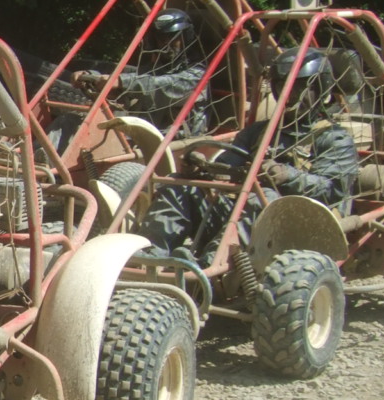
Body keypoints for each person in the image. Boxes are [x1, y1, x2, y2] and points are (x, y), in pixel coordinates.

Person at [140, 48, 358, 261]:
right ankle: (153, 255)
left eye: (299, 87)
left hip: (299, 226)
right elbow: (227, 167)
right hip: (246, 221)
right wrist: (203, 170)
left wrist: (287, 175)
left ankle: (213, 264)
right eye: (282, 87)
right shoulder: (258, 132)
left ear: (320, 89)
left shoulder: (333, 138)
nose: (289, 95)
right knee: (178, 185)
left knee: (264, 197)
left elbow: (334, 190)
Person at [73, 9, 211, 136]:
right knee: (72, 122)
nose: (166, 43)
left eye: (173, 38)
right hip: (147, 134)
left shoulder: (197, 74)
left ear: (186, 38)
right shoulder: (158, 68)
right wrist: (89, 75)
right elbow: (134, 80)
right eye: (161, 38)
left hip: (179, 138)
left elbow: (160, 86)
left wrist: (120, 81)